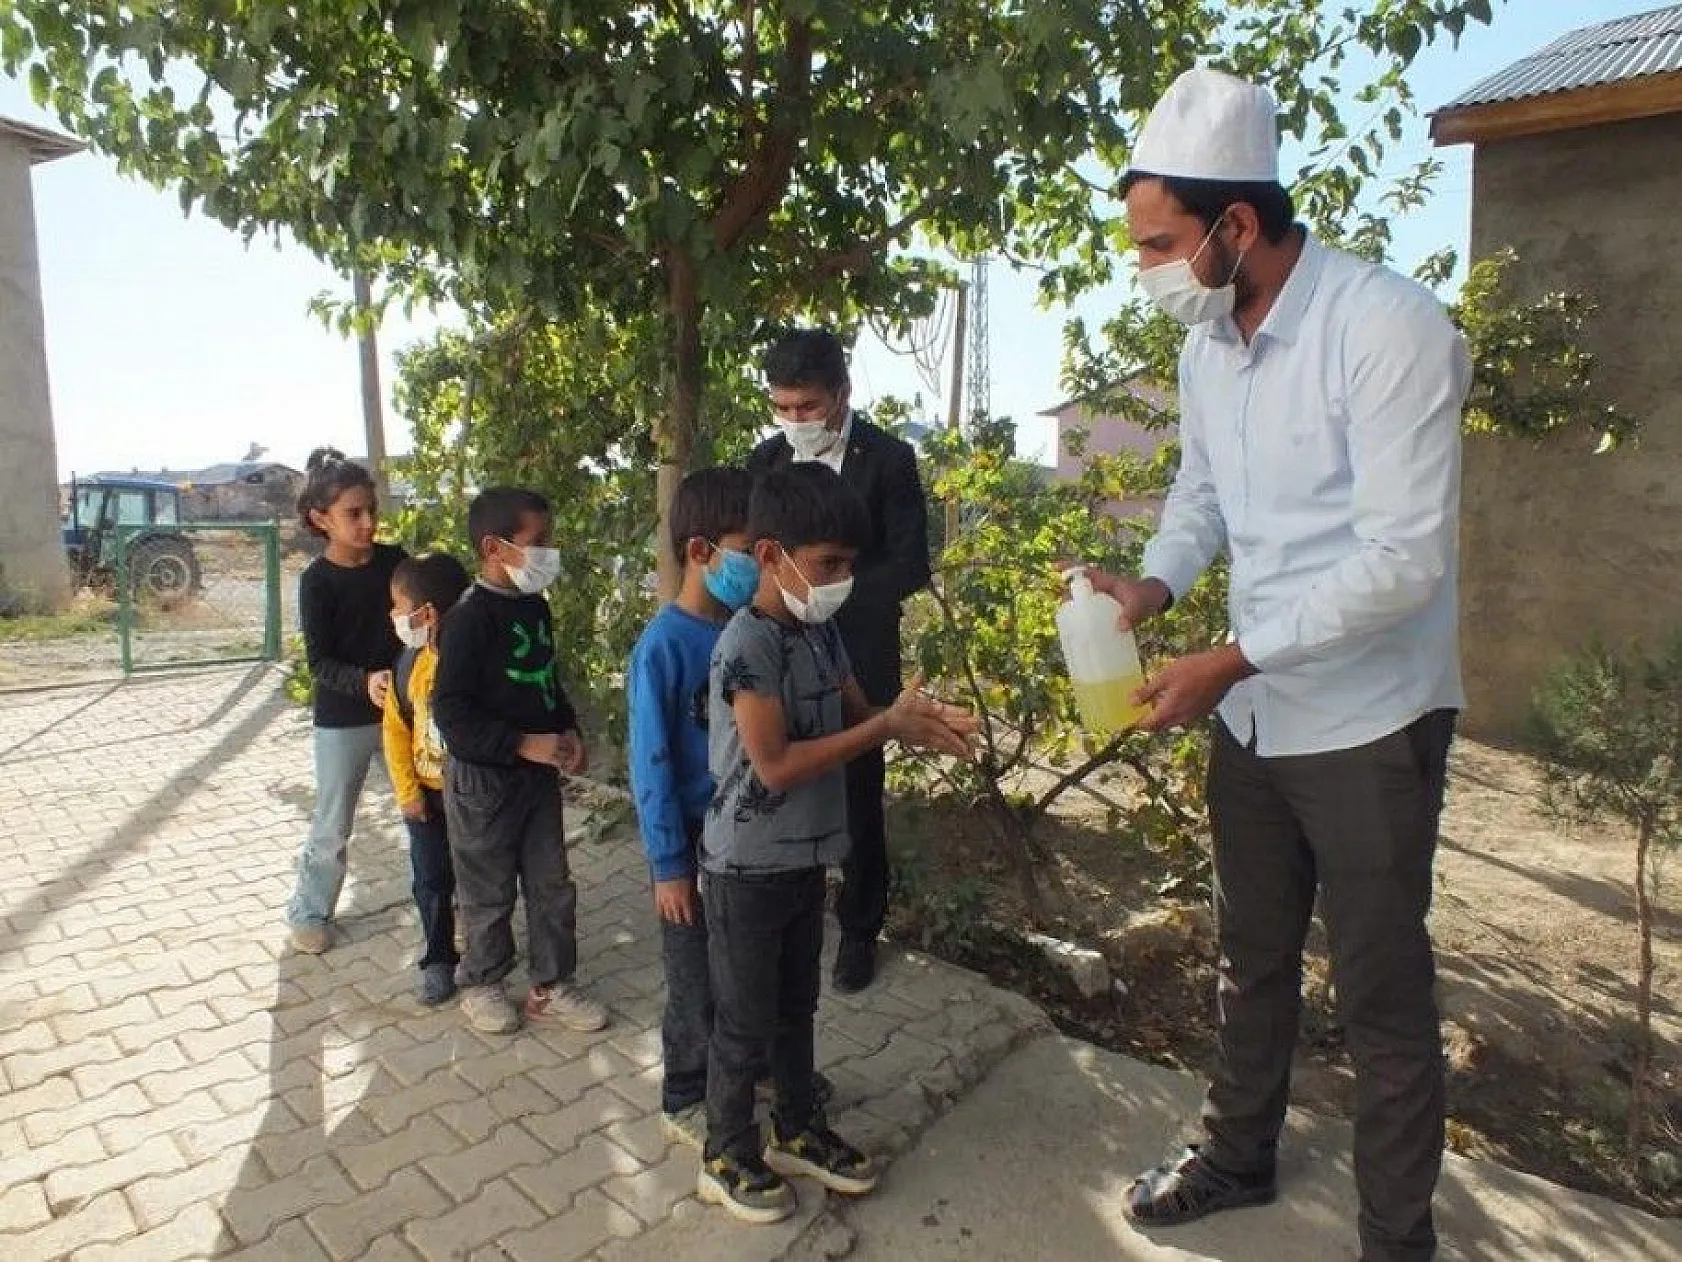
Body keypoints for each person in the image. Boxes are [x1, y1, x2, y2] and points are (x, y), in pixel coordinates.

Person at [1090, 69, 1471, 1262]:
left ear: (1236, 225)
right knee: (1249, 962)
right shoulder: (1212, 346)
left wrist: (1232, 654)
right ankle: (1236, 1151)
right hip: (1250, 719)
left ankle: (1391, 1240)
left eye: (1159, 242)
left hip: (1365, 720)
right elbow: (1201, 497)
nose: (1147, 267)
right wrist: (1151, 587)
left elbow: (1402, 559)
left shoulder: (1387, 326)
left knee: (1382, 1000)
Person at [696, 463, 977, 1224]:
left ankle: (796, 1128)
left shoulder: (819, 634)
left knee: (796, 1007)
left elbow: (864, 713)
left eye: (850, 566)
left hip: (802, 860)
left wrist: (916, 719)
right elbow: (777, 764)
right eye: (828, 566)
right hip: (744, 870)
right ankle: (725, 1148)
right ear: (769, 557)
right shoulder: (745, 647)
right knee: (744, 1021)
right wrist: (883, 727)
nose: (840, 581)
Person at [746, 328, 932, 994]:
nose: (796, 420)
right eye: (784, 406)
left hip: (860, 646)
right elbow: (753, 557)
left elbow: (912, 560)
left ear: (842, 394)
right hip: (780, 648)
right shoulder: (765, 462)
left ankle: (859, 929)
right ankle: (787, 906)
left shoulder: (887, 459)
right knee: (782, 773)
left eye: (808, 406)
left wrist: (836, 597)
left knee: (857, 791)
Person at [431, 487, 608, 1037]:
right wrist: (520, 744)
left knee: (552, 882)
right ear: (493, 547)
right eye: (539, 542)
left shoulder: (534, 606)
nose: (548, 553)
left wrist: (569, 731)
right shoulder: (467, 620)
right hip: (483, 785)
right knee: (488, 889)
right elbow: (451, 714)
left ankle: (551, 985)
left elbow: (546, 679)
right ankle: (481, 981)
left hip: (536, 783)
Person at [627, 467, 757, 1149]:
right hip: (688, 843)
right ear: (702, 550)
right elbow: (650, 768)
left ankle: (741, 1072)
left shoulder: (745, 631)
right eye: (746, 549)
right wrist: (669, 865)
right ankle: (684, 1091)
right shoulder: (663, 648)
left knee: (739, 967)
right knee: (691, 976)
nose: (756, 564)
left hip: (743, 840)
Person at [286, 447, 407, 955]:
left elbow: (417, 626)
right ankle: (310, 913)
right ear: (321, 519)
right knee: (334, 823)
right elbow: (321, 664)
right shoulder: (316, 583)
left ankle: (450, 905)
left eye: (371, 511)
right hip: (343, 721)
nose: (367, 523)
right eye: (353, 514)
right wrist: (365, 683)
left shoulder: (396, 562)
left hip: (403, 713)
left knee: (424, 812)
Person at [383, 551, 473, 1006]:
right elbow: (395, 731)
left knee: (479, 878)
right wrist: (407, 793)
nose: (393, 616)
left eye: (398, 606)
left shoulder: (470, 664)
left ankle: (485, 956)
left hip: (474, 800)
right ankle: (439, 957)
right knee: (431, 879)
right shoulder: (409, 665)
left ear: (428, 613)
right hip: (427, 799)